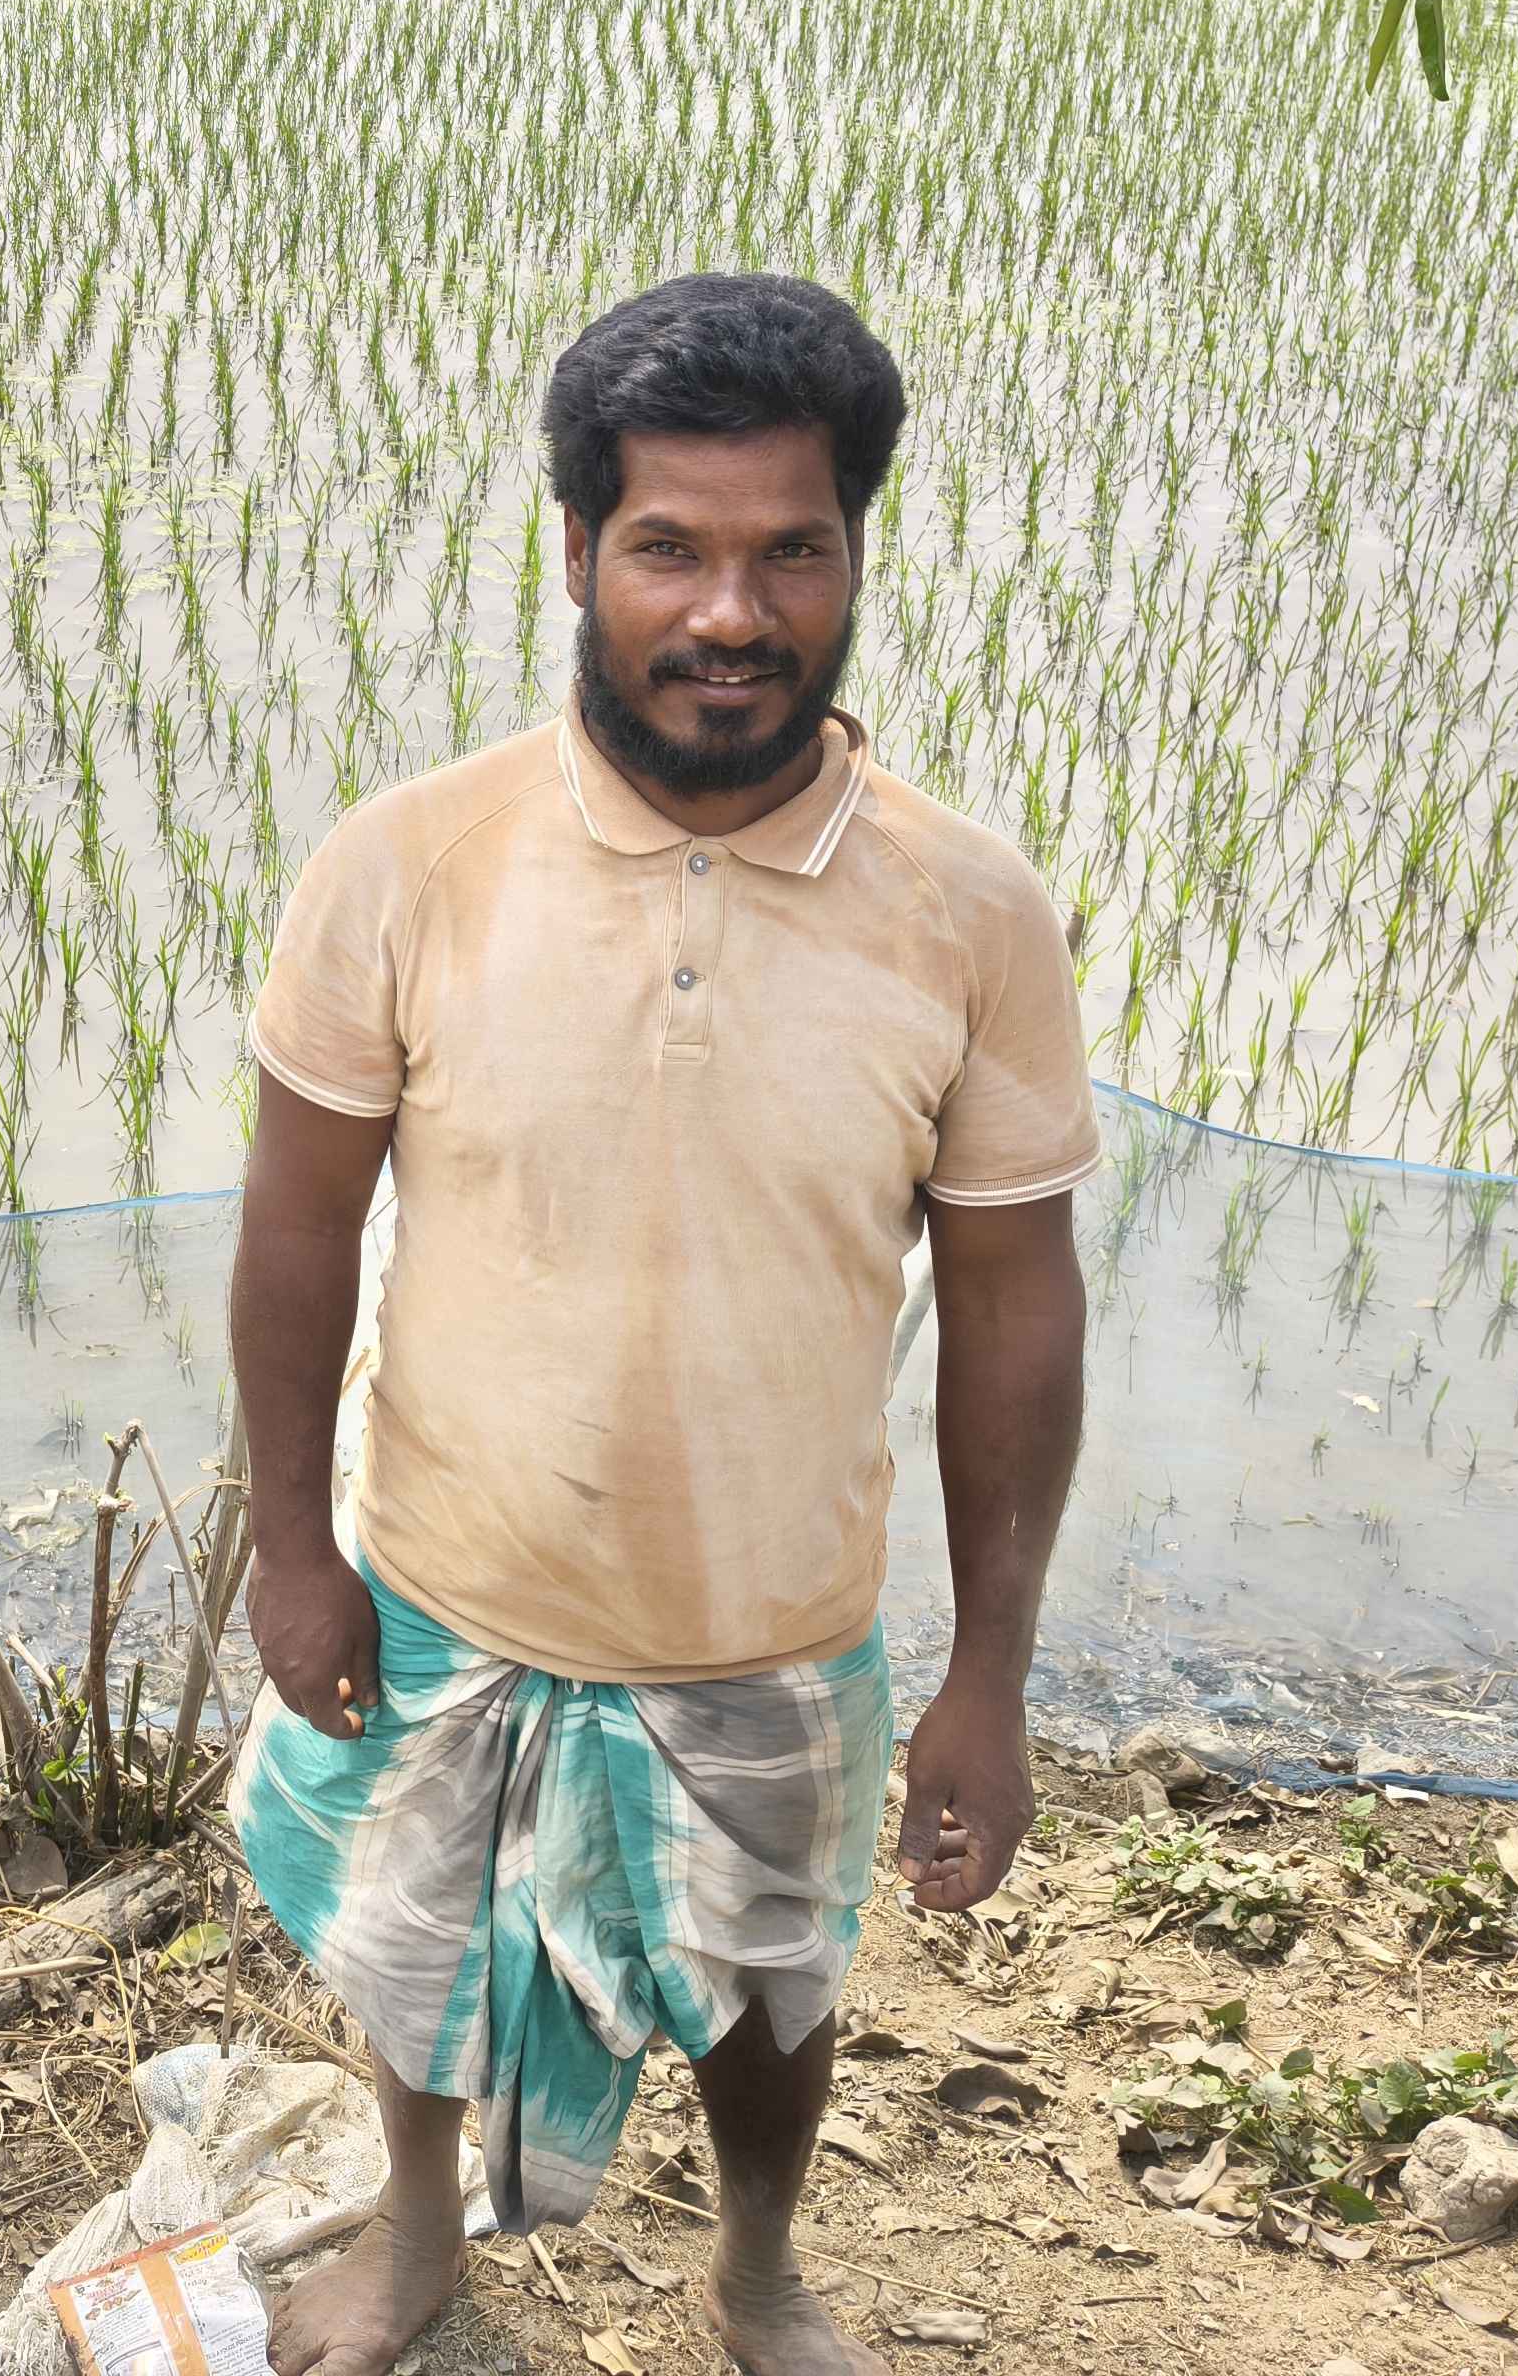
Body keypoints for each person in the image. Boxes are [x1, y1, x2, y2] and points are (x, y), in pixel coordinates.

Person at [226, 274, 1096, 2376]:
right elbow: (295, 1228)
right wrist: (292, 1545)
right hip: (449, 1585)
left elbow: (1014, 1314)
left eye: (790, 549)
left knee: (771, 1993)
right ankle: (418, 2234)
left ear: (853, 556)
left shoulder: (967, 913)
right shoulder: (411, 863)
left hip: (771, 1617)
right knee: (417, 1955)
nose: (730, 612)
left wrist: (988, 1673)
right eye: (670, 548)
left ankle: (757, 2271)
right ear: (576, 556)